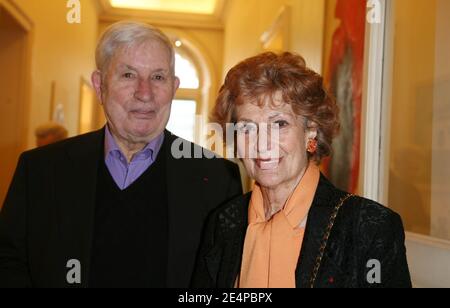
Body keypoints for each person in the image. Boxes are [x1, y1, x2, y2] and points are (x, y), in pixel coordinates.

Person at [0, 21, 242, 288]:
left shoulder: (217, 179)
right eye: (128, 75)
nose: (144, 93)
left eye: (158, 77)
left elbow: (225, 282)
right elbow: (9, 263)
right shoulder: (40, 171)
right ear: (100, 85)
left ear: (173, 88)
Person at [192, 52, 411, 288]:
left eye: (279, 124)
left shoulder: (369, 228)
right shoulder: (224, 223)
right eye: (247, 127)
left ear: (311, 132)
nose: (262, 143)